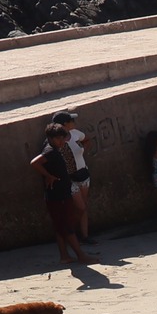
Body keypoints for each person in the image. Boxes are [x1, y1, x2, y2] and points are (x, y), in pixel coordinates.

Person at [30, 122, 90, 264]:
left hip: (58, 194)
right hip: (58, 195)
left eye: (63, 139)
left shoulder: (53, 149)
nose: (62, 142)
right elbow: (34, 163)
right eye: (60, 139)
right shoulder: (50, 151)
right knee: (67, 226)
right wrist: (48, 176)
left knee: (60, 227)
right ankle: (81, 255)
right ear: (52, 138)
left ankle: (64, 256)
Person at [54, 111, 92, 241]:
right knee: (79, 207)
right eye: (71, 121)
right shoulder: (56, 140)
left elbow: (86, 139)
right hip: (70, 178)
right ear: (65, 124)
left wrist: (81, 150)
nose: (74, 123)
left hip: (83, 174)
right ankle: (70, 233)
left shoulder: (75, 134)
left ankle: (85, 236)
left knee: (83, 206)